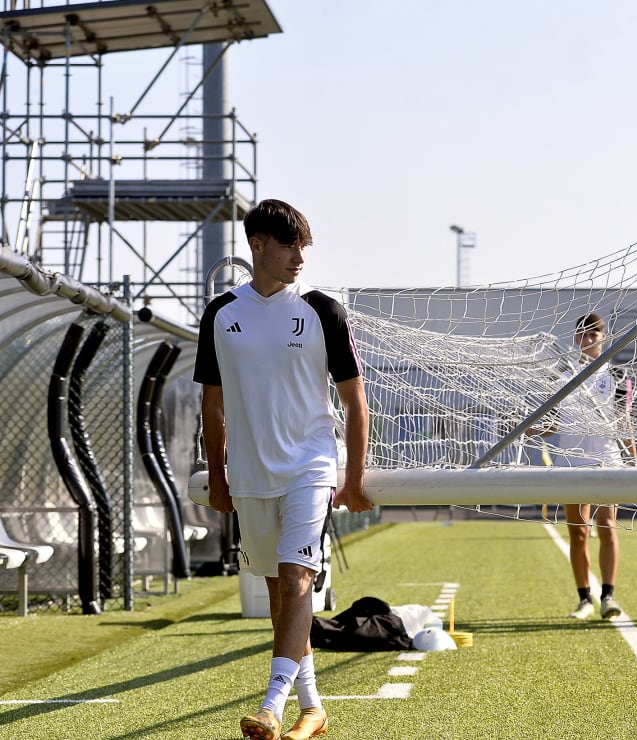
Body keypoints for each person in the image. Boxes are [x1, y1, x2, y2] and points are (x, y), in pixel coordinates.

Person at [195, 199, 373, 740]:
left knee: (298, 579)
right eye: (290, 245)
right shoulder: (221, 314)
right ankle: (313, 709)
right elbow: (212, 406)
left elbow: (355, 402)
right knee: (278, 592)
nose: (300, 256)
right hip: (250, 475)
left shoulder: (322, 310)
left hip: (310, 466)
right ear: (258, 246)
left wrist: (356, 478)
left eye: (304, 247)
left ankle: (271, 705)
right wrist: (220, 477)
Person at [555, 313, 637, 621]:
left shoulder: (617, 376)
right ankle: (583, 598)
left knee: (608, 527)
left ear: (604, 337)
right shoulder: (562, 376)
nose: (588, 340)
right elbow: (552, 422)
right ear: (576, 338)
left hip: (607, 460)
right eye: (583, 335)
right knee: (578, 532)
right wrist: (531, 430)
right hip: (571, 462)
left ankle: (608, 595)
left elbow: (623, 422)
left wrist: (634, 458)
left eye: (594, 334)